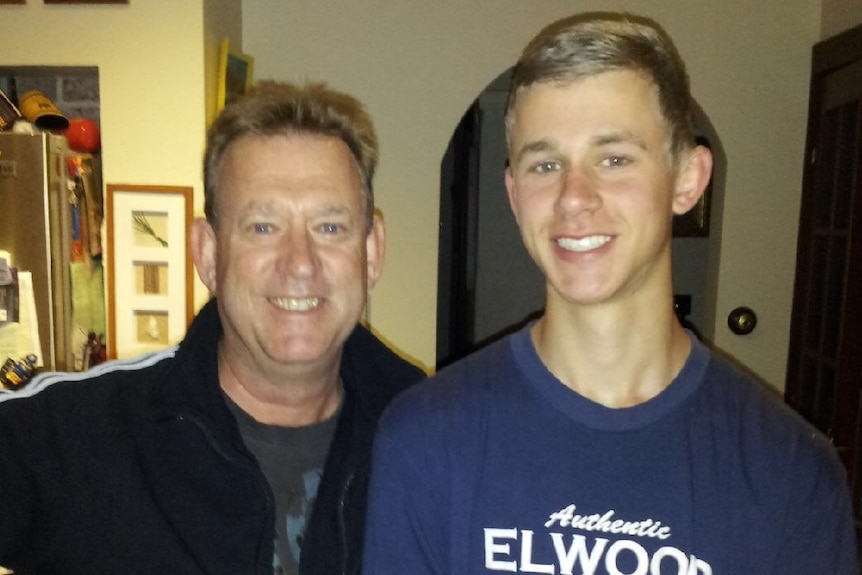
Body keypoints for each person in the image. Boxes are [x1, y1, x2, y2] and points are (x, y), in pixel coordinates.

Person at [363, 12, 858, 575]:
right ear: (514, 194)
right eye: (545, 164)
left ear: (688, 180)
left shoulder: (789, 472)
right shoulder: (424, 440)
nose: (574, 197)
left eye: (614, 158)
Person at [0, 81, 425, 574]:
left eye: (330, 227)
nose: (300, 263)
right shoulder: (78, 434)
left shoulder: (435, 436)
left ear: (371, 253)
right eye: (262, 227)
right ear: (207, 253)